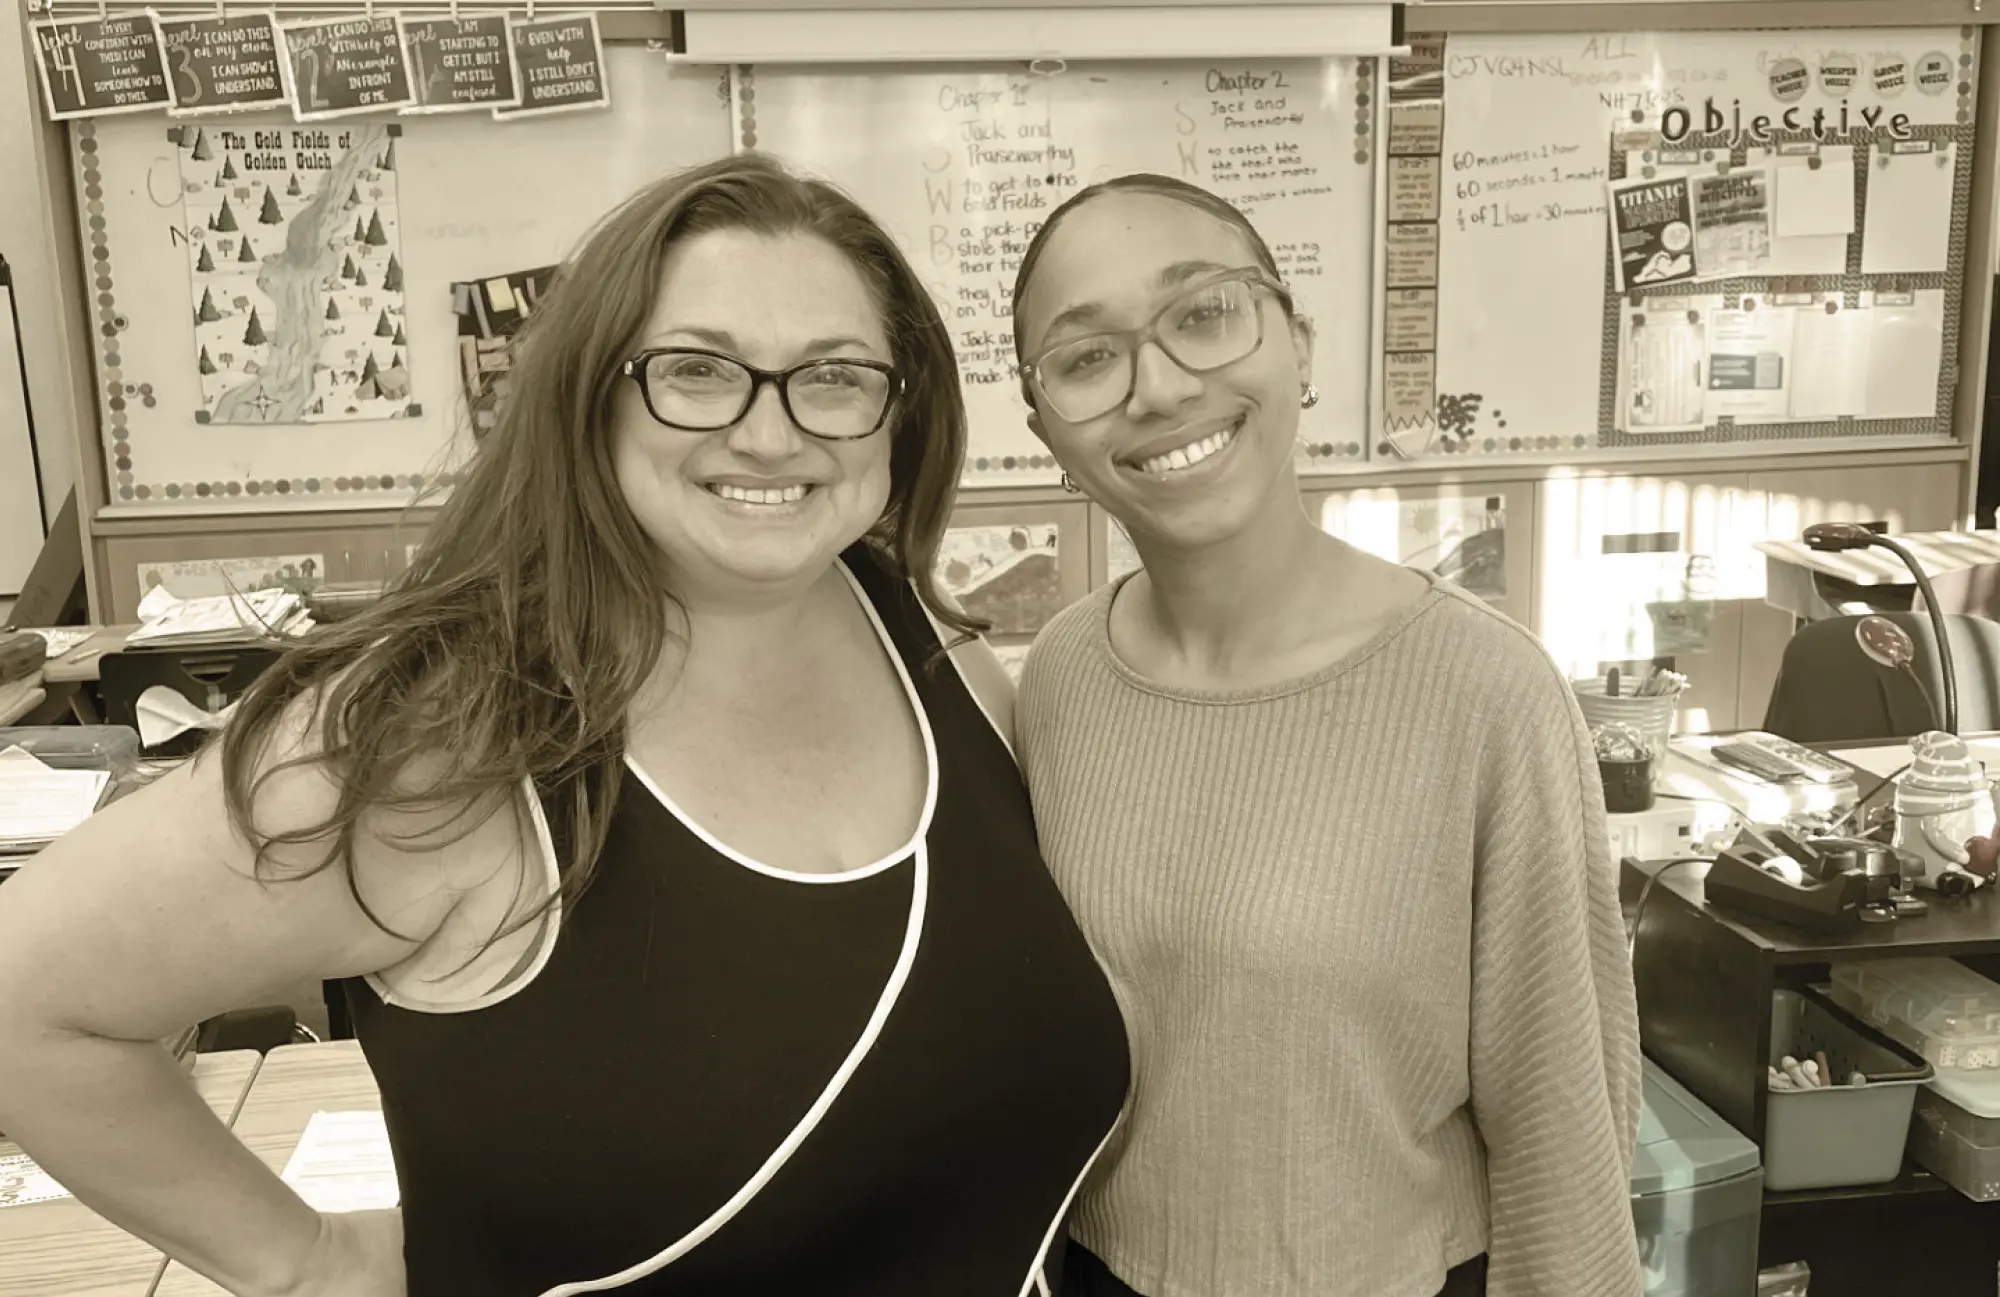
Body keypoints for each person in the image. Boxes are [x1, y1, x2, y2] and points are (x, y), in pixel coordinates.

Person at [0, 154, 1129, 1297]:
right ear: (590, 391)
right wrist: (304, 1262)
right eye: (695, 371)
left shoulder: (934, 647)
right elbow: (23, 1000)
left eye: (833, 377)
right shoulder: (426, 746)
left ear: (898, 412)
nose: (771, 431)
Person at [1007, 173, 1643, 1297]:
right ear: (1045, 423)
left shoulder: (1482, 689)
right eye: (1086, 356)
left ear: (1296, 342)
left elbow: (1561, 1120)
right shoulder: (1059, 676)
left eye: (1202, 313)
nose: (1156, 386)